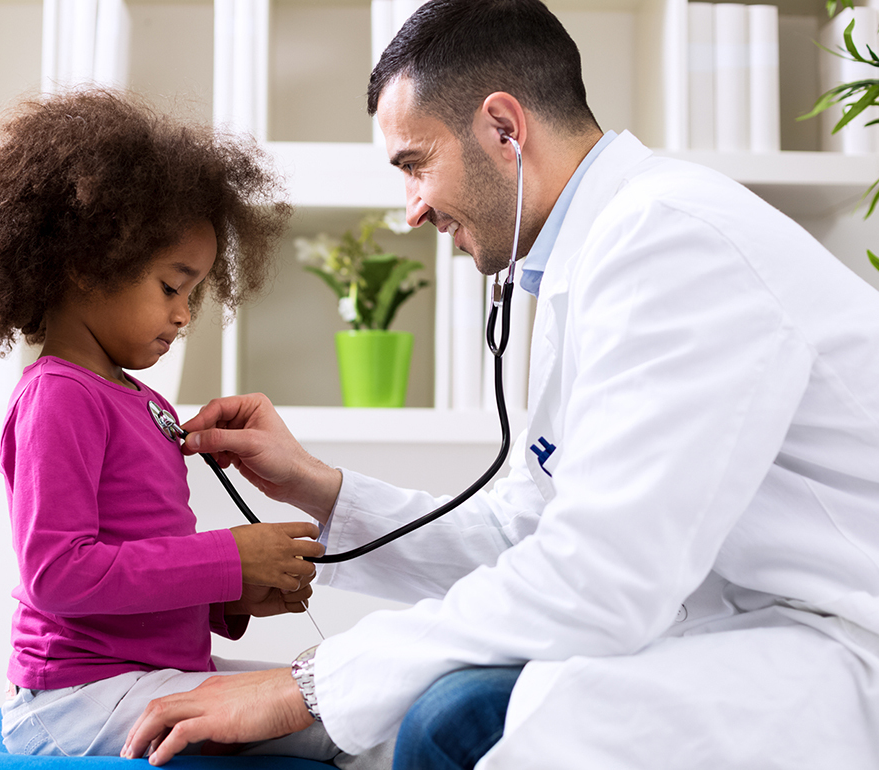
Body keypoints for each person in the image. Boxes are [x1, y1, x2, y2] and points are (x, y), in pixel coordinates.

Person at [122, 1, 879, 768]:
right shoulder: (594, 256)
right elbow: (532, 536)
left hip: (841, 646)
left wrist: (308, 685)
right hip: (748, 628)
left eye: (415, 163)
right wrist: (321, 490)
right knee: (453, 712)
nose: (412, 208)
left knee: (457, 721)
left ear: (505, 129)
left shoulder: (671, 241)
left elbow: (601, 572)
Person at [0, 89, 391, 767]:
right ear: (89, 264)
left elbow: (134, 570)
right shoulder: (59, 397)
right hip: (78, 697)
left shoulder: (136, 398)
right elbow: (59, 575)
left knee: (361, 698)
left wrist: (230, 597)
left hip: (138, 678)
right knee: (350, 721)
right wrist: (228, 557)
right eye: (171, 286)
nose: (184, 315)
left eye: (195, 293)